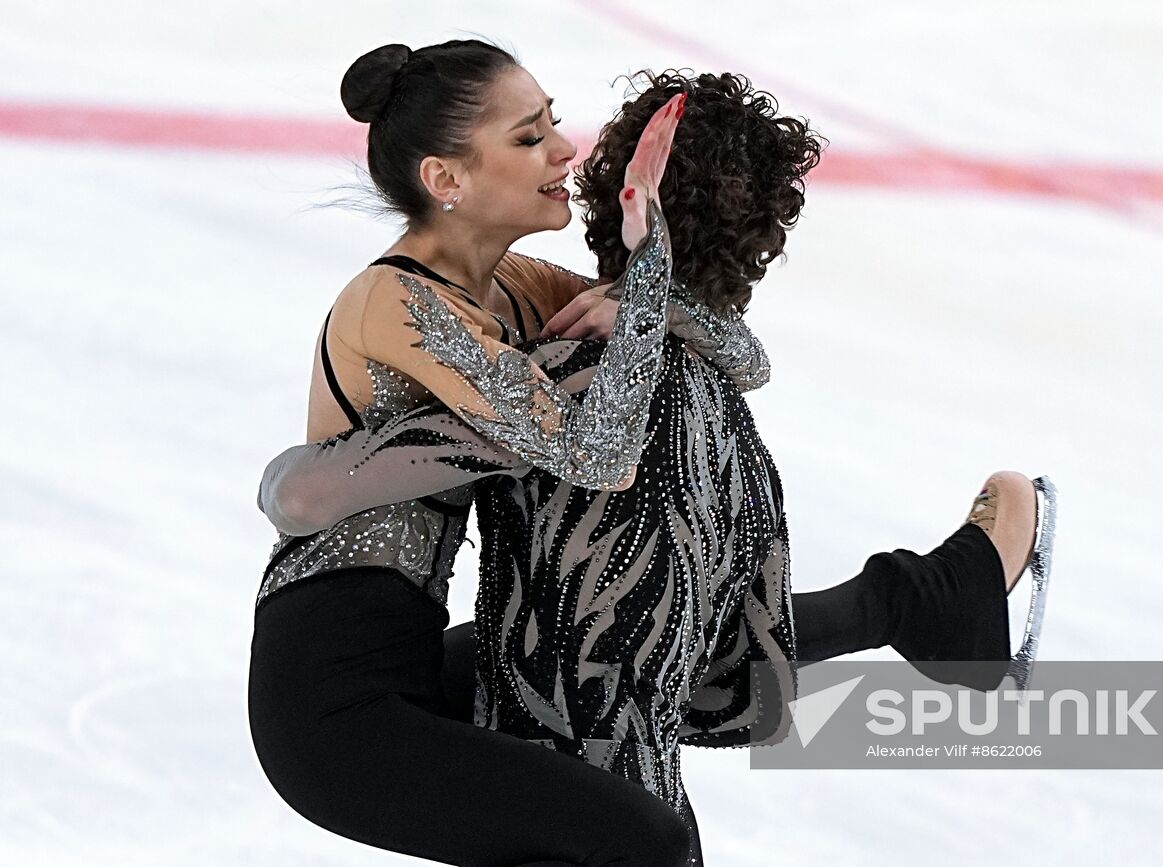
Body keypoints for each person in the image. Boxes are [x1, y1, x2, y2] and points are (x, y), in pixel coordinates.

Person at [253, 56, 1056, 865]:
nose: (566, 150)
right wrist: (647, 282)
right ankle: (920, 602)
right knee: (646, 842)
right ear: (445, 176)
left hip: (416, 659)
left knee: (655, 636)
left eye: (555, 122)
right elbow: (598, 450)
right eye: (531, 137)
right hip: (333, 706)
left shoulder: (516, 288)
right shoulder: (397, 301)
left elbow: (744, 357)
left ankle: (925, 604)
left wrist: (655, 296)